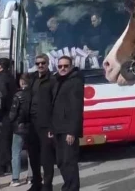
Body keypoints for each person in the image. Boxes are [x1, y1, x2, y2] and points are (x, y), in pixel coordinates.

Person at [50, 56, 84, 191]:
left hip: (68, 130)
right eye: (60, 66)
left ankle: (72, 188)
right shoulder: (58, 80)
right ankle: (67, 187)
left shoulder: (75, 81)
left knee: (69, 162)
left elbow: (76, 108)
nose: (62, 69)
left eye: (65, 66)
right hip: (57, 128)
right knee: (61, 162)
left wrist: (72, 131)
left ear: (71, 66)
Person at [26, 54, 56, 191]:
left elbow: (56, 104)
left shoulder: (53, 79)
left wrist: (52, 126)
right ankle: (36, 183)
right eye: (37, 63)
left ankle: (47, 185)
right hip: (30, 123)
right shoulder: (31, 78)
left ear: (48, 63)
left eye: (43, 63)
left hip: (45, 123)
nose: (40, 65)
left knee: (46, 157)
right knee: (33, 155)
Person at [8, 73, 32, 187]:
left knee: (16, 152)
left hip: (19, 128)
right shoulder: (34, 94)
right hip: (32, 127)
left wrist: (10, 121)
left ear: (22, 82)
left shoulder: (17, 95)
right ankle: (31, 177)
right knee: (31, 153)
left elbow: (13, 114)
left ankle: (15, 178)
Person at [0, 58, 17, 175]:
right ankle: (8, 164)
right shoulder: (11, 77)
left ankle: (4, 165)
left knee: (3, 140)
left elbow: (0, 97)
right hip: (11, 112)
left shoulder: (0, 79)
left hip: (4, 114)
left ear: (0, 66)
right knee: (8, 140)